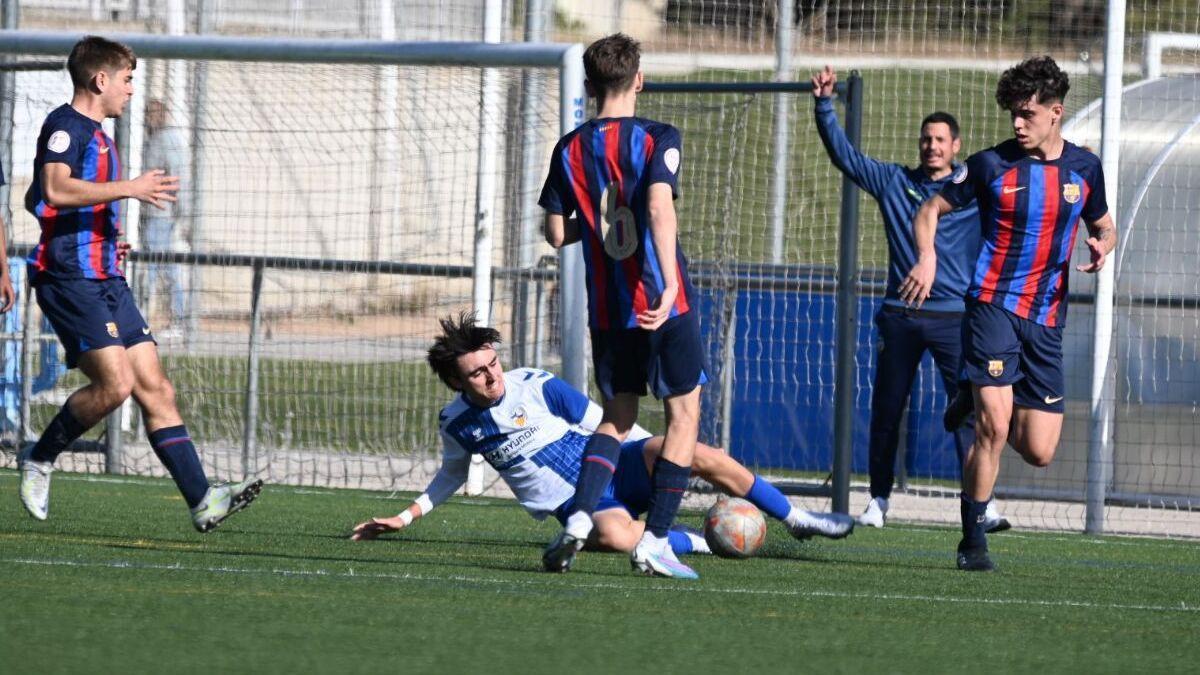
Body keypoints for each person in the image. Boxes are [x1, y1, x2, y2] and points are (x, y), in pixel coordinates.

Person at [350, 313, 855, 555]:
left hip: (617, 466)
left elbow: (607, 425)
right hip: (578, 504)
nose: (491, 375)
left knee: (698, 450)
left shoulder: (538, 385)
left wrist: (662, 457)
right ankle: (702, 542)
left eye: (493, 362)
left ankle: (797, 516)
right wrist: (406, 514)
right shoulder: (457, 422)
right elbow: (450, 476)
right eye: (477, 373)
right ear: (458, 382)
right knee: (614, 535)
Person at [16, 35, 261, 531]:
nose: (132, 90)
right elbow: (54, 188)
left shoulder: (103, 137)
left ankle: (203, 499)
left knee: (156, 387)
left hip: (106, 275)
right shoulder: (66, 126)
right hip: (70, 278)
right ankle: (39, 457)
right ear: (99, 79)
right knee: (116, 386)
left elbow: (35, 201)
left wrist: (105, 236)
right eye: (127, 80)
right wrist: (128, 190)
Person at [901, 56, 1116, 571]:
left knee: (1039, 450)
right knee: (993, 431)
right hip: (992, 305)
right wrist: (926, 256)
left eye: (1027, 114)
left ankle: (970, 397)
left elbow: (1106, 224)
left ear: (1056, 112)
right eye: (1013, 115)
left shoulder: (1084, 168)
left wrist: (1104, 244)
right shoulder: (990, 165)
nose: (1017, 124)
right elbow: (929, 209)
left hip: (1045, 318)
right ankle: (972, 542)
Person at [810, 66, 1009, 532]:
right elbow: (845, 156)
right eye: (926, 138)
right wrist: (823, 105)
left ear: (956, 145)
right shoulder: (894, 182)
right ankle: (878, 499)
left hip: (957, 319)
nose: (932, 146)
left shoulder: (972, 191)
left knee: (971, 411)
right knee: (887, 409)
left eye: (941, 139)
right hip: (901, 317)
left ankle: (984, 502)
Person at [539, 34, 707, 578]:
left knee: (617, 417)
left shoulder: (568, 148)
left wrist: (595, 219)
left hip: (610, 309)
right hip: (663, 303)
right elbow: (659, 208)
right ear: (639, 79)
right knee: (683, 414)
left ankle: (580, 520)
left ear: (589, 86)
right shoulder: (659, 136)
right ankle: (655, 539)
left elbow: (554, 233)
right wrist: (663, 285)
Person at [140, 98, 189, 333]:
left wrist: (180, 213)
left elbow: (177, 178)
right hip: (152, 213)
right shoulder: (154, 139)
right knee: (152, 267)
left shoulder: (166, 140)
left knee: (162, 268)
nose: (146, 120)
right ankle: (144, 318)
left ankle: (179, 319)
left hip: (161, 214)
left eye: (150, 114)